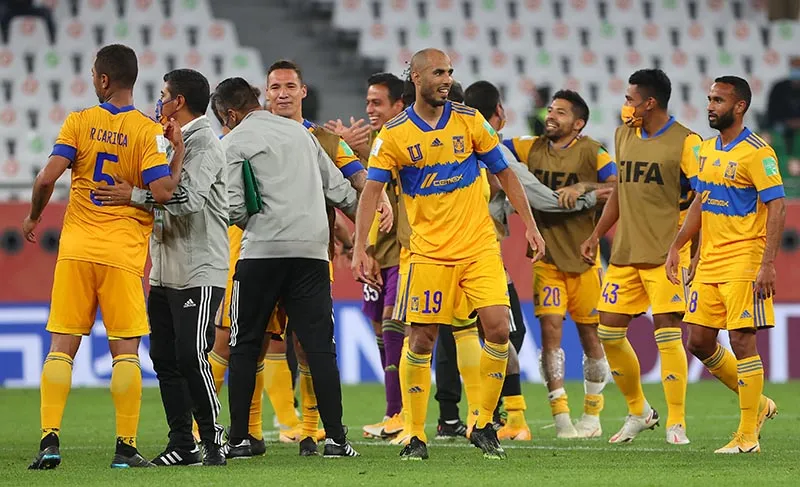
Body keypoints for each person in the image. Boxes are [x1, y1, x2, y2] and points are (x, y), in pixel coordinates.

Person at [352, 48, 546, 461]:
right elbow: (371, 192)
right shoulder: (396, 134)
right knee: (421, 338)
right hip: (428, 253)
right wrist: (360, 248)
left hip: (478, 247)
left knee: (498, 330)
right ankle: (414, 433)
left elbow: (505, 173)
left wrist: (530, 224)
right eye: (438, 71)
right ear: (417, 78)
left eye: (450, 72)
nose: (446, 78)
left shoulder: (470, 121)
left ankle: (480, 422)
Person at [24, 44, 184, 469]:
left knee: (62, 347)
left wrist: (33, 216)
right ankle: (125, 449)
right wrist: (179, 151)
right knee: (125, 352)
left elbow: (45, 179)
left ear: (103, 80)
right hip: (122, 254)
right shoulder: (148, 131)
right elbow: (164, 193)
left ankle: (49, 442)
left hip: (75, 250)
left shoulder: (79, 121)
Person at [214, 77, 360, 458]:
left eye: (223, 120)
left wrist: (254, 223)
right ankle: (336, 441)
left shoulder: (233, 142)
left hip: (261, 253)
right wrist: (364, 221)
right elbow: (340, 190)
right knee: (319, 347)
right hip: (311, 254)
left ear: (231, 113)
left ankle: (241, 438)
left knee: (244, 345)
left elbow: (234, 208)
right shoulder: (303, 135)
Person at [93, 69, 229, 466]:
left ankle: (212, 439)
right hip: (164, 270)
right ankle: (182, 444)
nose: (159, 101)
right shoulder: (170, 142)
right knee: (166, 360)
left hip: (199, 269)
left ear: (179, 102)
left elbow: (187, 200)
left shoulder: (204, 144)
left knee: (191, 356)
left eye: (164, 94)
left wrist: (131, 195)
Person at [265, 59, 391, 455]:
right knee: (247, 341)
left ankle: (309, 428)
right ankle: (245, 432)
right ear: (266, 94)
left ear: (303, 92)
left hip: (310, 256)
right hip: (259, 254)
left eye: (290, 86)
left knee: (307, 342)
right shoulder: (252, 137)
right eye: (275, 87)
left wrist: (371, 216)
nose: (282, 93)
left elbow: (358, 183)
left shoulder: (326, 141)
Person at [580, 69, 700, 445]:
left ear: (650, 103)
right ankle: (639, 411)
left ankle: (676, 422)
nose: (625, 105)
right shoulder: (623, 135)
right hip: (625, 252)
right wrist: (597, 234)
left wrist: (691, 250)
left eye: (631, 99)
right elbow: (621, 191)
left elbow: (704, 197)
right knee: (608, 331)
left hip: (666, 254)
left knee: (668, 333)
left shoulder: (686, 141)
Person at [666, 76, 782, 454]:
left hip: (745, 258)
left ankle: (747, 437)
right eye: (709, 99)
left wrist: (768, 264)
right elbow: (702, 200)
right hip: (711, 259)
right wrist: (680, 246)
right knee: (698, 340)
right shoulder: (707, 149)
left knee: (742, 340)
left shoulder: (758, 152)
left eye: (718, 100)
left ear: (740, 106)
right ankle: (759, 403)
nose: (710, 106)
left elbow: (777, 206)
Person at [503, 89, 615, 439]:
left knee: (590, 338)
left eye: (561, 113)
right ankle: (561, 416)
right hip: (547, 259)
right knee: (550, 335)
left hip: (584, 261)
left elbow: (620, 189)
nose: (551, 116)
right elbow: (493, 146)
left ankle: (592, 416)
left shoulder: (592, 151)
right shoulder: (529, 146)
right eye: (551, 110)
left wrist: (584, 187)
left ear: (578, 124)